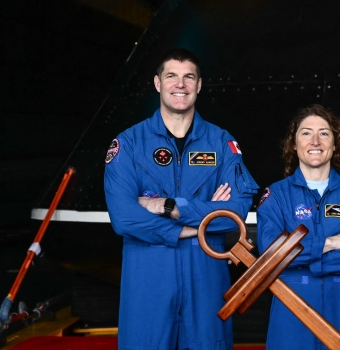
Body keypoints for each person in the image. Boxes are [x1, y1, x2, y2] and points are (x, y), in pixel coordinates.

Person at [104, 48, 258, 350]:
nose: (181, 84)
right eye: (171, 76)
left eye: (189, 77)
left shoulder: (222, 142)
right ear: (158, 83)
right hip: (148, 278)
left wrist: (169, 207)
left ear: (199, 85)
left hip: (206, 275)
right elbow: (123, 218)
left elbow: (237, 210)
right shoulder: (128, 144)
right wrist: (201, 220)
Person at [257, 105, 340, 349]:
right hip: (291, 306)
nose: (315, 141)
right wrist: (328, 244)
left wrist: (302, 256)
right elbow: (271, 253)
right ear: (293, 144)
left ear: (335, 145)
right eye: (306, 133)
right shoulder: (276, 195)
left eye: (324, 133)